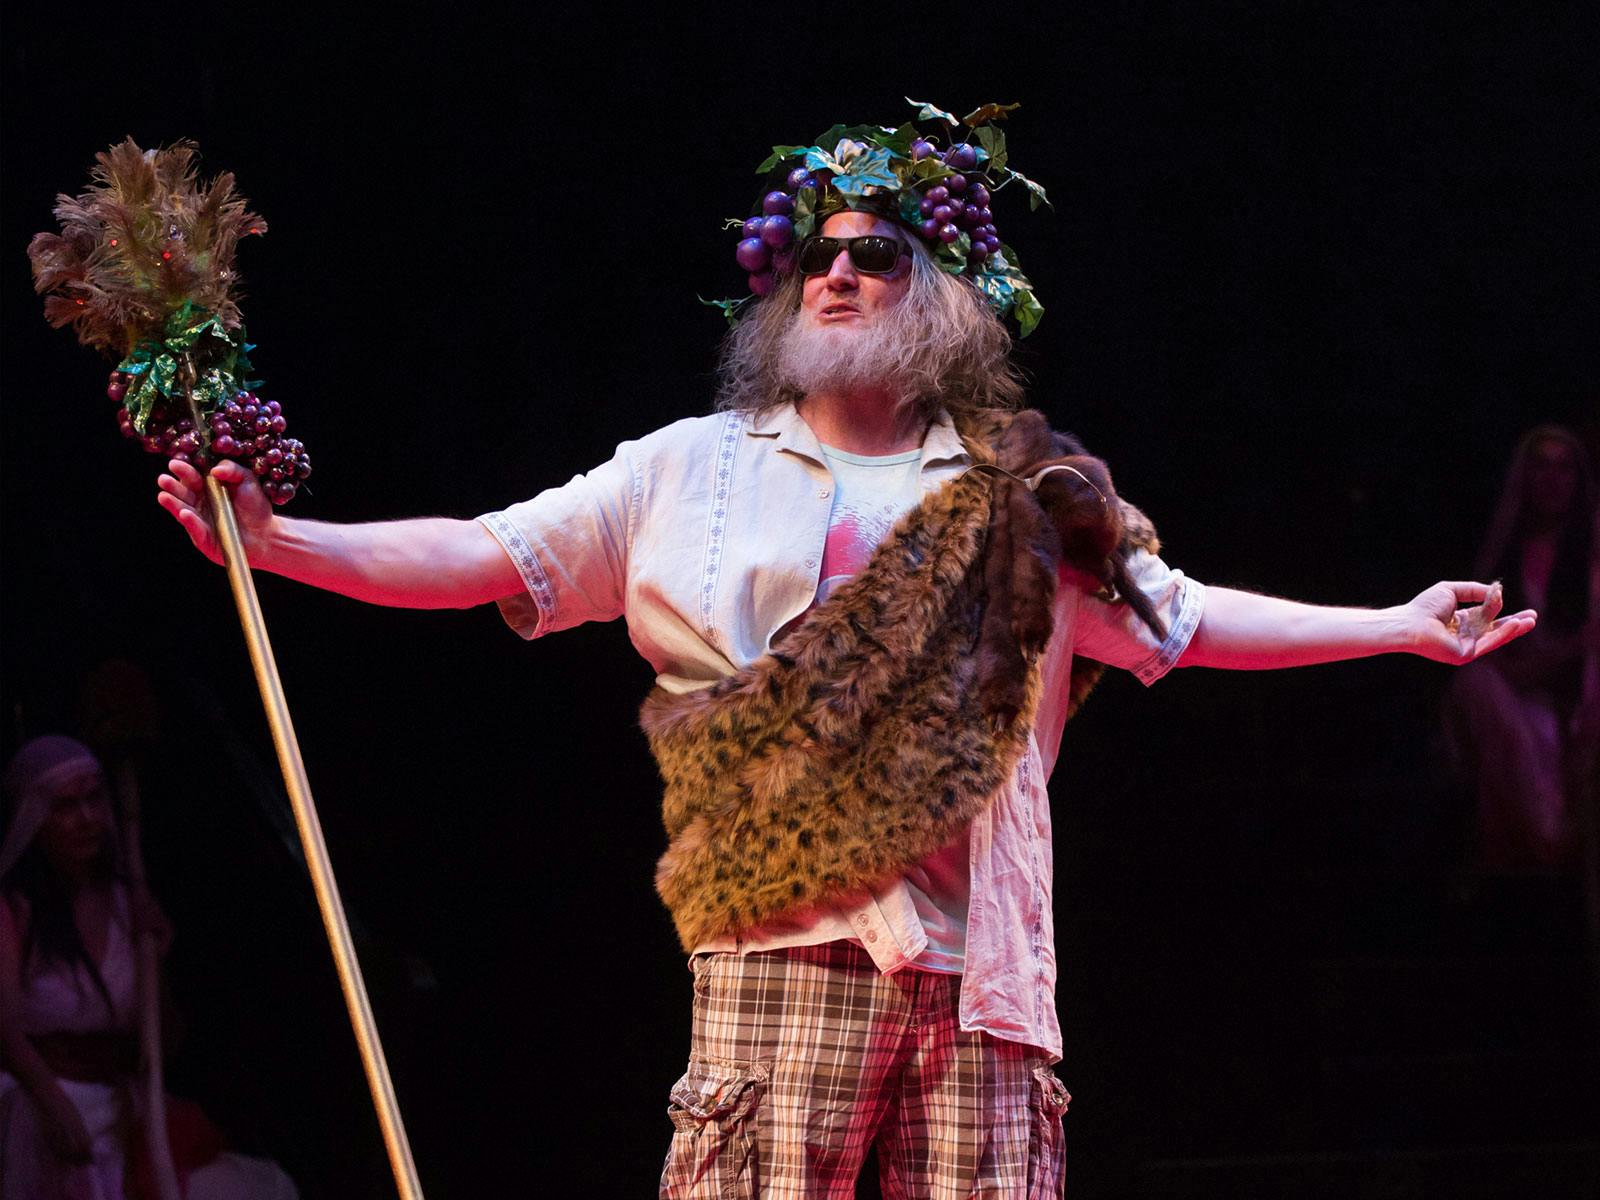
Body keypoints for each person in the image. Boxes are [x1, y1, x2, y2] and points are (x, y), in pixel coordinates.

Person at [153, 113, 1535, 1199]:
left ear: (941, 299)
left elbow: (1183, 620)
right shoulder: (688, 469)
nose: (837, 270)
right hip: (786, 945)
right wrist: (279, 544)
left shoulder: (1025, 488)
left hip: (983, 980)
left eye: (876, 254)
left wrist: (1395, 627)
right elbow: (484, 554)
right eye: (818, 254)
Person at [0, 735, 299, 1200]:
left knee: (263, 1188)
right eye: (66, 807)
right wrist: (52, 1103)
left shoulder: (127, 904)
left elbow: (166, 1041)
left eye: (94, 799)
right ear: (35, 819)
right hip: (44, 1105)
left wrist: (154, 962)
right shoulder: (15, 910)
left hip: (124, 1107)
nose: (87, 819)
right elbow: (4, 1027)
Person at [1443, 425, 1600, 871]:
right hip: (1513, 697)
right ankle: (1545, 835)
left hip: (1573, 699)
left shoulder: (1589, 557)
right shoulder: (1503, 557)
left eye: (1564, 468)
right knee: (1478, 688)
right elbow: (1476, 648)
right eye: (1542, 467)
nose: (1553, 480)